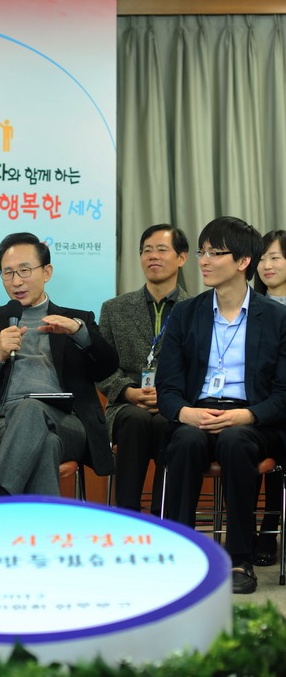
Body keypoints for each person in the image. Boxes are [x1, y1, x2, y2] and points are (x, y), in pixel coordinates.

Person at [156, 216, 286, 594]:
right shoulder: (186, 313)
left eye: (215, 253)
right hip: (197, 413)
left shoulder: (276, 318)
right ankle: (181, 555)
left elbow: (283, 393)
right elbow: (167, 387)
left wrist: (247, 415)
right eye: (202, 252)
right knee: (184, 441)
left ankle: (239, 558)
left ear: (243, 261)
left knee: (236, 441)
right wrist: (186, 413)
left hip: (252, 419)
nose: (204, 261)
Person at [0, 232, 119, 495]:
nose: (16, 281)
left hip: (67, 423)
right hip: (1, 426)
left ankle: (1, 502)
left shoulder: (76, 320)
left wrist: (80, 334)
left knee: (30, 408)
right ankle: (34, 521)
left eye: (25, 270)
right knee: (46, 444)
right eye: (8, 273)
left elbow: (106, 368)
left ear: (46, 272)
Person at [97, 223, 189, 514]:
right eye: (147, 250)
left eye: (162, 250)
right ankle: (128, 514)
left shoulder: (196, 309)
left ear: (181, 258)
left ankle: (163, 516)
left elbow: (201, 366)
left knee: (166, 422)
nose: (153, 256)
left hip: (174, 404)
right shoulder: (114, 308)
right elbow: (100, 366)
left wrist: (170, 397)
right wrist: (127, 391)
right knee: (134, 419)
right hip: (126, 404)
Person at [252, 229, 286, 565]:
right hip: (259, 405)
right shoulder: (249, 307)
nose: (267, 266)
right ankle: (260, 530)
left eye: (275, 257)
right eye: (261, 259)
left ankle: (270, 527)